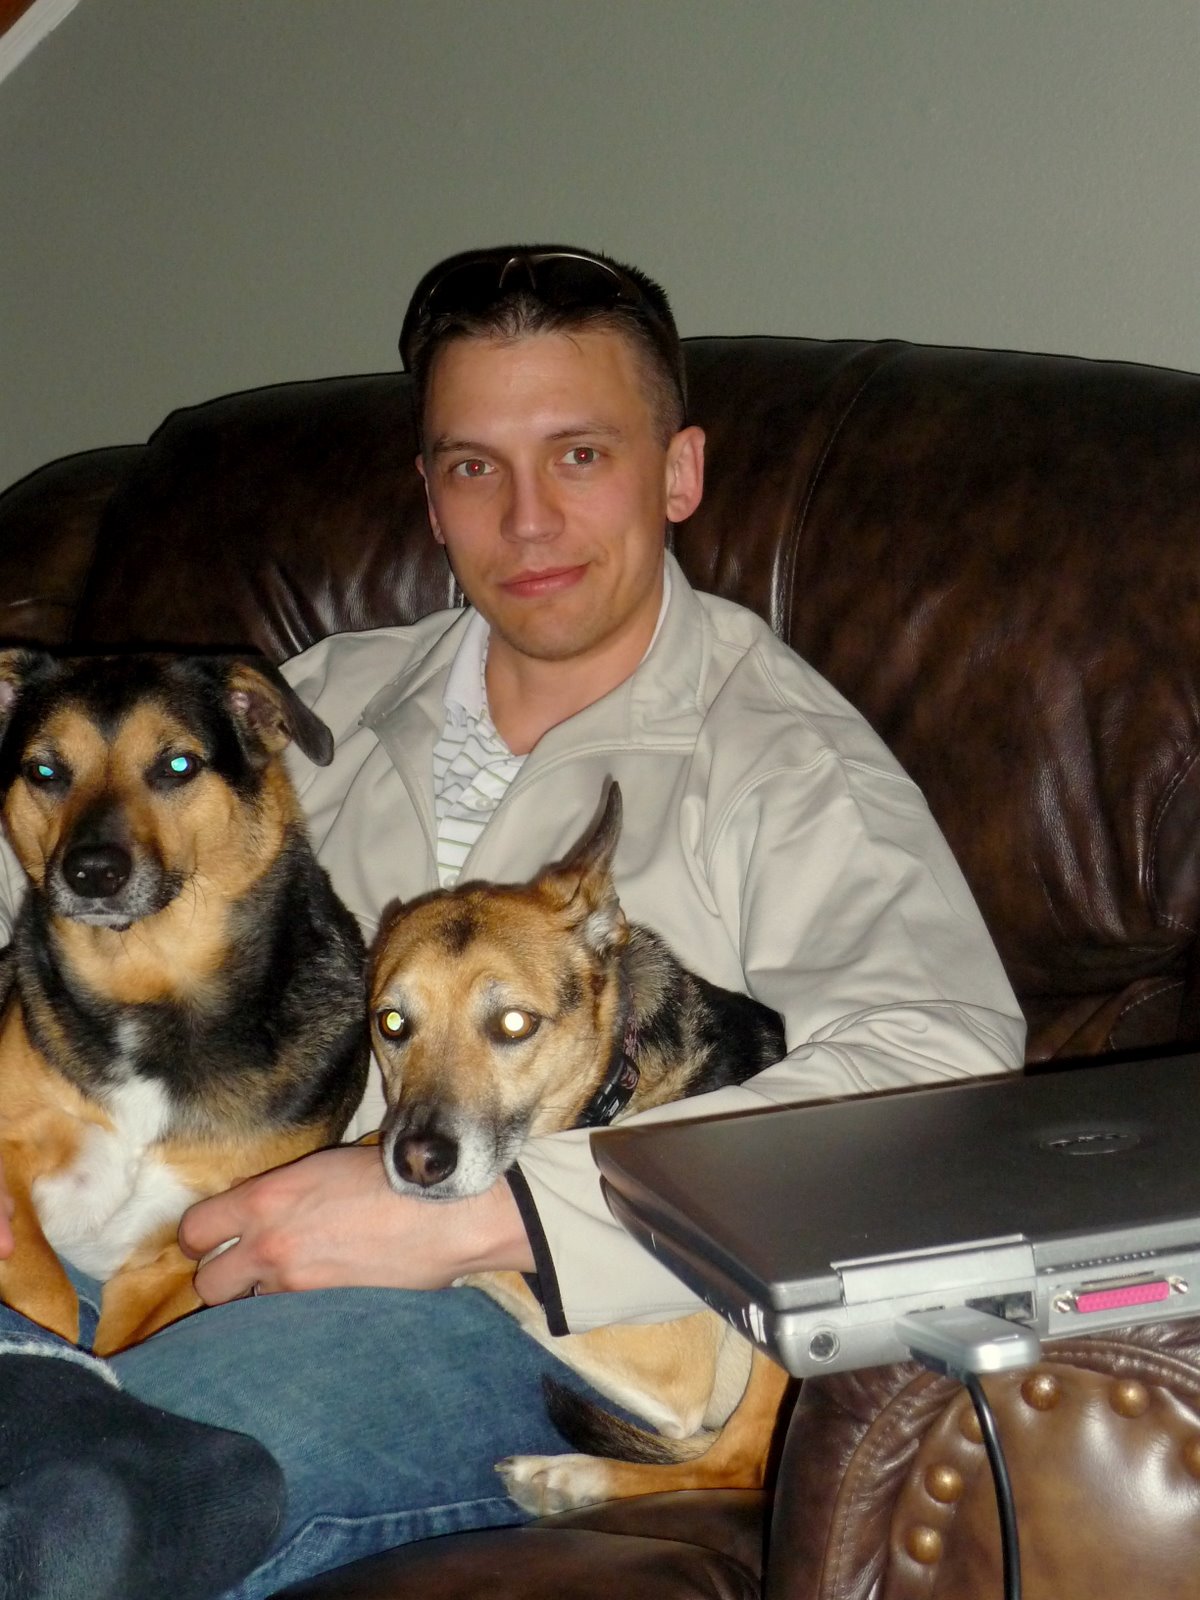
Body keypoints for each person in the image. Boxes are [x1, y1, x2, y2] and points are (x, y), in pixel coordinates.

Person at [0, 244, 1026, 1599]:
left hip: (526, 1318)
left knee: (80, 1518)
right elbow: (67, 848)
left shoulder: (784, 764)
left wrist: (498, 1218)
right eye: (476, 466)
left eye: (580, 456)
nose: (528, 520)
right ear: (429, 495)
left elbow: (943, 1072)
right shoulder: (316, 701)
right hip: (138, 1227)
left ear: (680, 474)